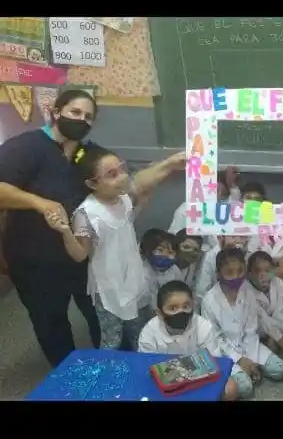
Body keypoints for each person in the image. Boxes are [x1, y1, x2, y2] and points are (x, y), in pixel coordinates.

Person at [0, 89, 103, 367]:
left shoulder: (85, 153)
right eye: (75, 112)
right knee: (51, 322)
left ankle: (111, 363)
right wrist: (37, 202)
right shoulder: (26, 146)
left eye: (88, 117)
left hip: (79, 253)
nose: (81, 120)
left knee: (98, 311)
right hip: (35, 259)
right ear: (56, 112)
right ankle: (68, 375)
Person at [47, 143, 185, 350]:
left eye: (121, 169)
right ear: (92, 183)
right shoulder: (87, 214)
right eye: (112, 174)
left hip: (133, 278)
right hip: (108, 287)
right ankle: (109, 369)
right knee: (112, 339)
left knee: (140, 334)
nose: (122, 177)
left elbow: (125, 222)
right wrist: (65, 231)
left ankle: (142, 366)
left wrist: (148, 192)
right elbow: (80, 254)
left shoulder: (123, 200)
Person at [200, 247, 283, 398]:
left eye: (240, 271)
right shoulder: (209, 300)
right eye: (229, 272)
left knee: (281, 370)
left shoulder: (247, 290)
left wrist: (250, 359)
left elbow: (251, 329)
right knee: (245, 388)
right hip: (224, 353)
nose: (236, 277)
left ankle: (253, 367)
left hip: (249, 345)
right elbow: (215, 339)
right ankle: (246, 371)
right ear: (218, 274)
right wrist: (239, 359)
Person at [137, 280, 241, 401]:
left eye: (186, 307)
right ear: (160, 313)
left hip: (200, 381)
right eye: (173, 308)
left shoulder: (204, 326)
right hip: (165, 386)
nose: (180, 312)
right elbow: (148, 371)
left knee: (230, 387)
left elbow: (214, 362)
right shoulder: (149, 333)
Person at [244, 250, 283, 358]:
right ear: (249, 274)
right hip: (258, 325)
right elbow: (263, 319)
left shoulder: (278, 282)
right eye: (257, 271)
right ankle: (277, 338)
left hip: (276, 322)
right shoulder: (245, 290)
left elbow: (280, 311)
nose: (263, 275)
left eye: (267, 270)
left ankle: (273, 339)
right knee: (258, 324)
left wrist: (276, 333)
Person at [168, 167, 240, 250]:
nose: (217, 196)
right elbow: (174, 238)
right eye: (214, 190)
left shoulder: (225, 208)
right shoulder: (186, 209)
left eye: (222, 194)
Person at [194, 235, 249, 309]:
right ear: (221, 237)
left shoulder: (243, 254)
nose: (238, 240)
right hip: (215, 303)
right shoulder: (211, 257)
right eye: (233, 237)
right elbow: (202, 291)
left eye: (242, 237)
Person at [139, 229, 184, 318]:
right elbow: (149, 303)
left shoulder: (175, 270)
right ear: (149, 251)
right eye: (159, 250)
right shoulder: (143, 271)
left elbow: (180, 293)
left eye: (170, 252)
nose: (165, 255)